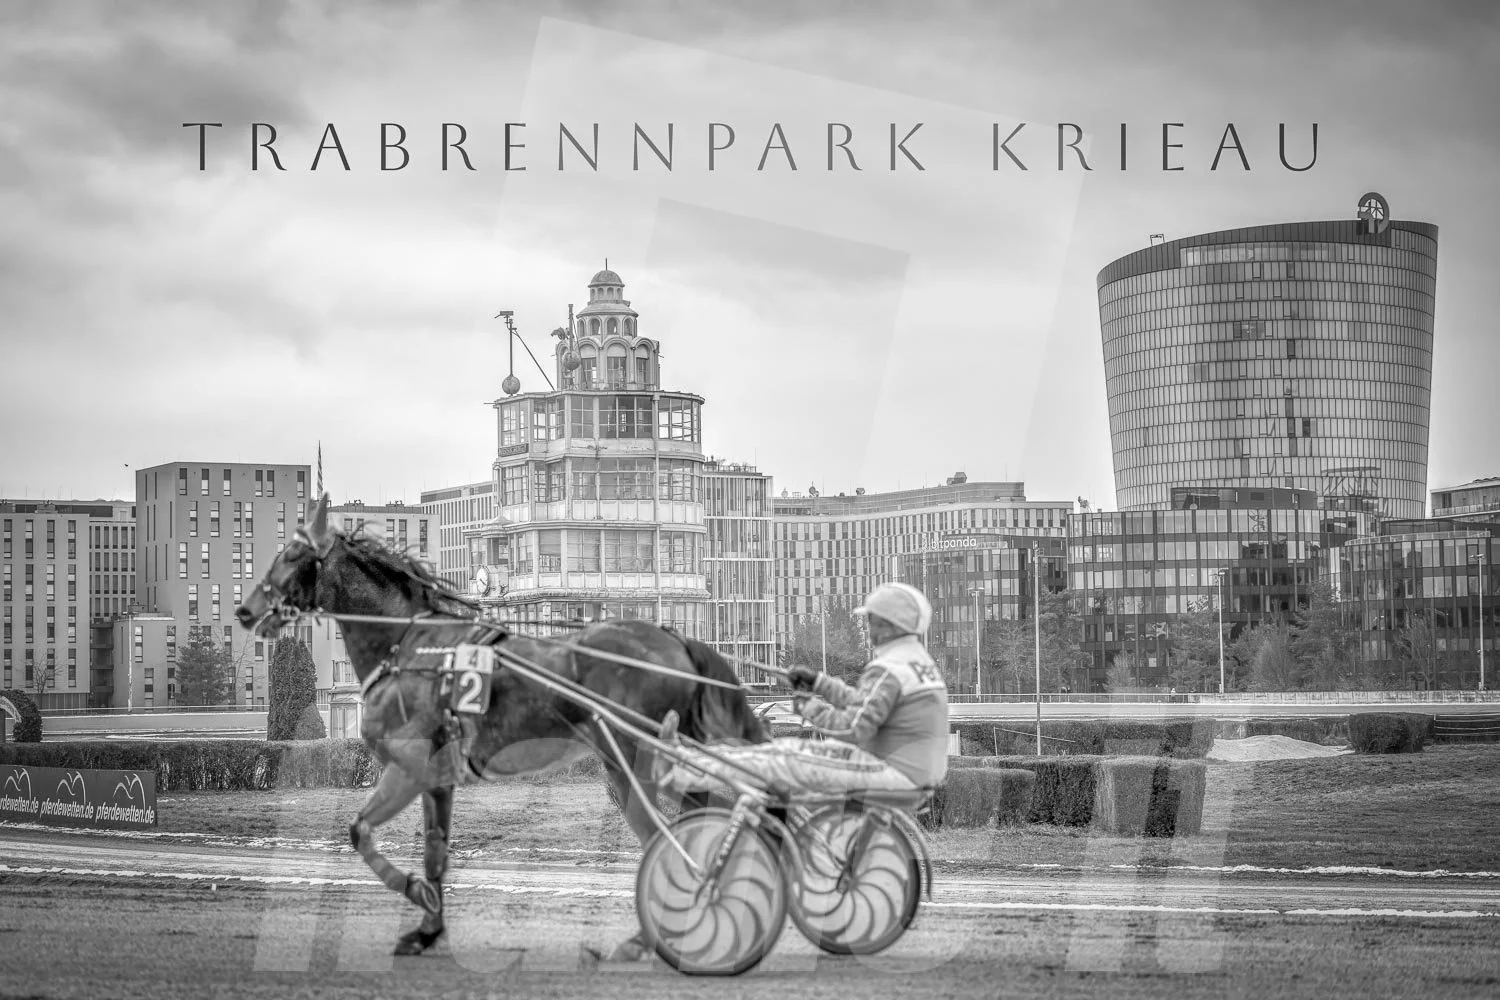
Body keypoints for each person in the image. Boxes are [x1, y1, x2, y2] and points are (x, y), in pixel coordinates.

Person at [657, 582, 949, 796]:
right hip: (910, 768)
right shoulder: (914, 662)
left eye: (870, 621)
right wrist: (818, 683)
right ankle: (686, 762)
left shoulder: (889, 668)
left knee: (774, 757)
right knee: (773, 753)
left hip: (889, 769)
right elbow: (863, 703)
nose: (867, 629)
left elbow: (854, 729)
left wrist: (810, 706)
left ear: (888, 625)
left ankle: (681, 770)